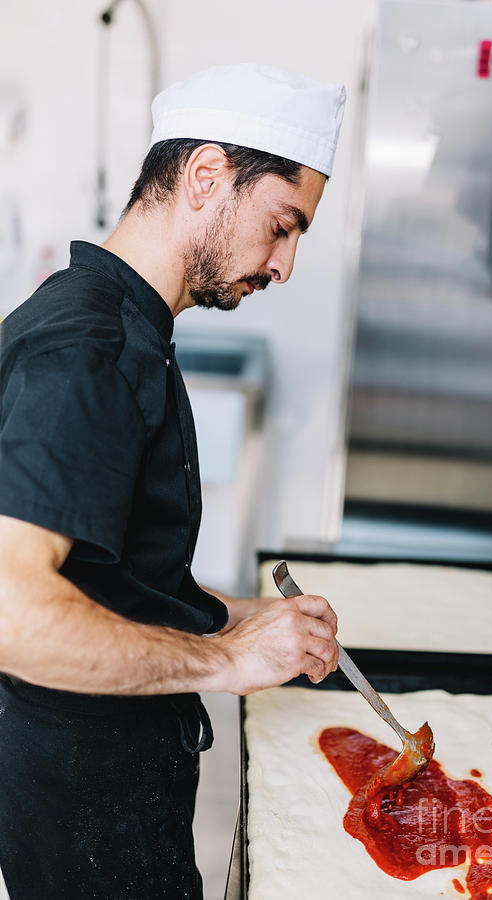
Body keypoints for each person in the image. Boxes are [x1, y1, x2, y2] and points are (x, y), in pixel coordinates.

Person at [0, 64, 346, 898]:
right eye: (281, 224)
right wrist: (223, 655)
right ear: (204, 176)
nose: (286, 264)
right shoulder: (92, 351)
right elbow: (11, 612)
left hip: (104, 793)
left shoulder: (117, 321)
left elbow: (109, 579)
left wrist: (236, 614)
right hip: (85, 815)